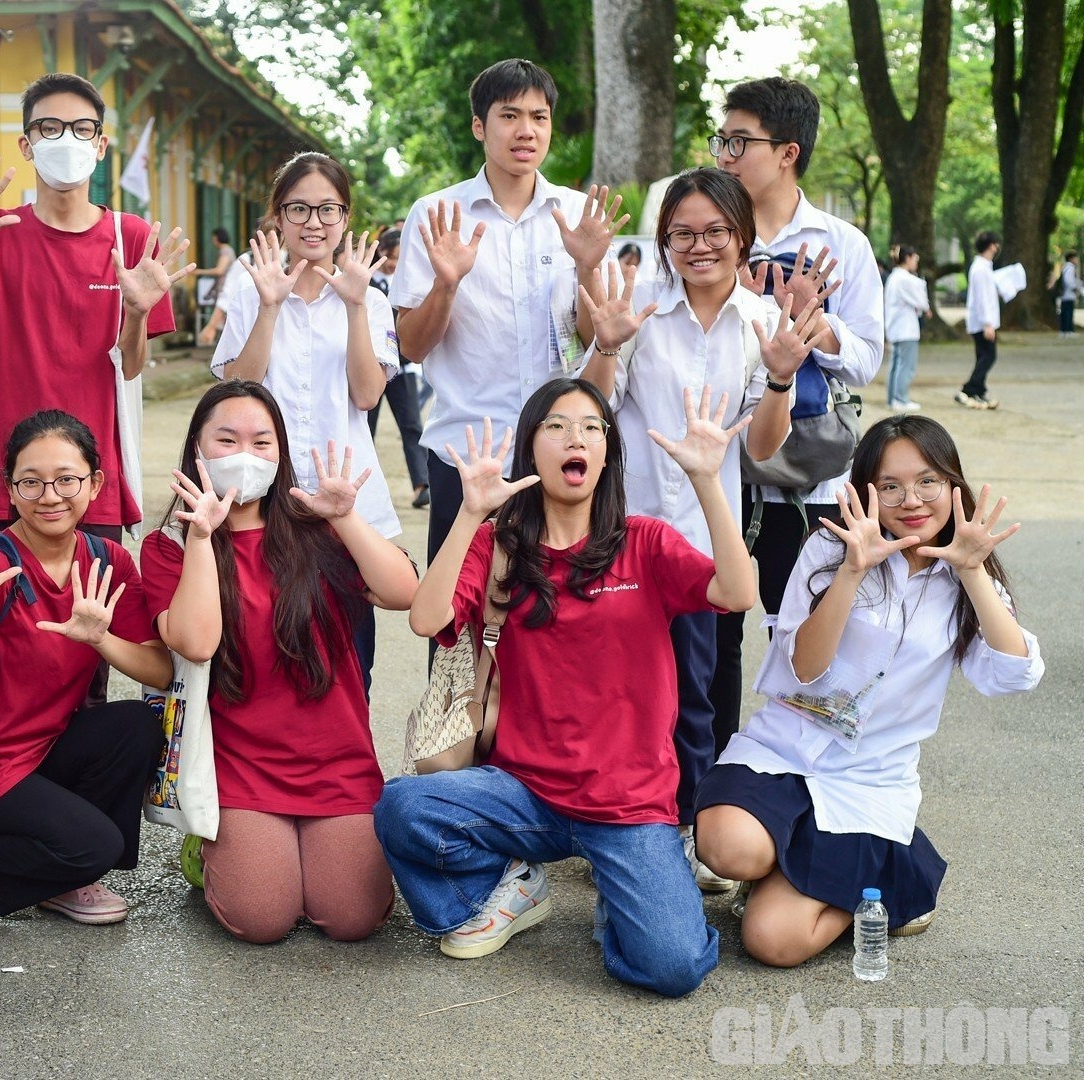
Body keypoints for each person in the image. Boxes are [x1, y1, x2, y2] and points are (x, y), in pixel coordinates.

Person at [374, 378, 758, 997]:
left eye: (590, 426)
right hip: (525, 793)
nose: (573, 437)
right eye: (555, 426)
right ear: (532, 448)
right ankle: (511, 887)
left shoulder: (646, 542)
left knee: (675, 967)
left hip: (627, 806)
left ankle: (620, 900)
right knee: (401, 808)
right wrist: (472, 511)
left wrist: (709, 480)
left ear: (607, 452)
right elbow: (425, 618)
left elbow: (737, 595)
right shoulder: (499, 545)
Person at [694, 415, 1043, 967]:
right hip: (781, 755)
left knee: (773, 942)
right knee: (727, 848)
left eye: (928, 481)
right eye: (891, 486)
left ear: (953, 486)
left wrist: (974, 574)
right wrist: (853, 572)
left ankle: (887, 871)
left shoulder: (967, 577)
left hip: (868, 781)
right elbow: (803, 668)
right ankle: (800, 865)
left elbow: (1012, 676)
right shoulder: (829, 552)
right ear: (865, 492)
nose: (912, 499)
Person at [577, 167, 812, 892]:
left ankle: (691, 823)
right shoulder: (640, 309)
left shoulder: (762, 324)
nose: (699, 245)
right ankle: (616, 823)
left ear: (742, 236)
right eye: (683, 233)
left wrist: (778, 381)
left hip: (708, 541)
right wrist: (608, 343)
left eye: (715, 231)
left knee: (698, 693)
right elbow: (586, 406)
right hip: (631, 533)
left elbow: (765, 448)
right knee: (620, 688)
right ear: (665, 240)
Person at [142, 381, 419, 944]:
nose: (245, 453)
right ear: (196, 449)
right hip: (242, 768)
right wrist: (201, 538)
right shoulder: (169, 546)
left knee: (352, 919)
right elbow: (194, 645)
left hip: (338, 762)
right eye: (226, 439)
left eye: (261, 441)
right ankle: (208, 845)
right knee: (263, 920)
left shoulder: (318, 530)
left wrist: (345, 518)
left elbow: (405, 593)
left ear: (281, 453)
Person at [0, 411, 170, 927]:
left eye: (66, 479)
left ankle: (61, 876)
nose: (50, 495)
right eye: (31, 482)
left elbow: (159, 669)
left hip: (38, 750)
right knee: (97, 845)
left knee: (135, 725)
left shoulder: (108, 561)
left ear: (95, 484)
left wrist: (102, 639)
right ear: (11, 492)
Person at [0, 72, 192, 541]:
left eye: (82, 128)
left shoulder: (129, 237)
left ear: (101, 144)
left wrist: (135, 312)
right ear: (27, 146)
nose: (66, 139)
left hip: (90, 480)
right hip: (4, 477)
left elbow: (130, 368)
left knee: (93, 609)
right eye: (49, 128)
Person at [707, 75, 885, 775]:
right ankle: (706, 789)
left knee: (800, 635)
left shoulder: (840, 243)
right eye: (720, 140)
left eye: (737, 141)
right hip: (715, 470)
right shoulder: (704, 233)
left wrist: (811, 322)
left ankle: (795, 784)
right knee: (711, 634)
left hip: (805, 478)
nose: (723, 154)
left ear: (786, 151)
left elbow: (866, 361)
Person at [393, 58, 628, 575]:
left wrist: (587, 266)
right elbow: (410, 346)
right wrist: (446, 284)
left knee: (557, 623)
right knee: (460, 626)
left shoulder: (576, 216)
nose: (527, 130)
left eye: (539, 117)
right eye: (510, 115)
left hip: (561, 454)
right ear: (480, 126)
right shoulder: (436, 215)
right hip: (467, 455)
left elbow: (594, 337)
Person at [212, 152, 402, 689]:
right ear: (277, 216)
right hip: (263, 497)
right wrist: (271, 307)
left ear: (346, 217)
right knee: (264, 654)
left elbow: (367, 394)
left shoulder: (369, 298)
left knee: (348, 660)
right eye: (298, 209)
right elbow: (234, 393)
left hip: (344, 502)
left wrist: (357, 307)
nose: (313, 223)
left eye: (327, 209)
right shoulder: (253, 292)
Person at [365, 228, 431, 510]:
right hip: (370, 367)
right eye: (390, 257)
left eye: (398, 258)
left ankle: (421, 484)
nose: (393, 263)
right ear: (381, 253)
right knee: (365, 429)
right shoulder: (365, 283)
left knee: (412, 425)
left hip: (401, 368)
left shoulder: (408, 283)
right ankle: (362, 489)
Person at [956, 231, 1003, 410]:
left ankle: (979, 391)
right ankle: (969, 389)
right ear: (991, 245)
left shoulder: (983, 267)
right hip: (983, 322)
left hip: (982, 321)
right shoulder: (981, 268)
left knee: (983, 357)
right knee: (989, 356)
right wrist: (987, 324)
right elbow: (982, 299)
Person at [884, 245, 931, 411]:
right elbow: (922, 301)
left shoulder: (894, 277)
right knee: (906, 366)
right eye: (915, 258)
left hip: (896, 327)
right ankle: (900, 399)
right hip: (905, 329)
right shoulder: (906, 279)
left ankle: (893, 398)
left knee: (897, 364)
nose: (916, 262)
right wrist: (925, 307)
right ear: (909, 258)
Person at [1058, 251, 1079, 337]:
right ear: (1071, 259)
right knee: (1068, 313)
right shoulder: (1070, 268)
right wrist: (1074, 287)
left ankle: (1063, 330)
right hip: (1068, 294)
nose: (1076, 260)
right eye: (1075, 258)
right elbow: (1069, 280)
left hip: (1064, 294)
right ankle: (1068, 330)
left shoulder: (1065, 267)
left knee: (1064, 312)